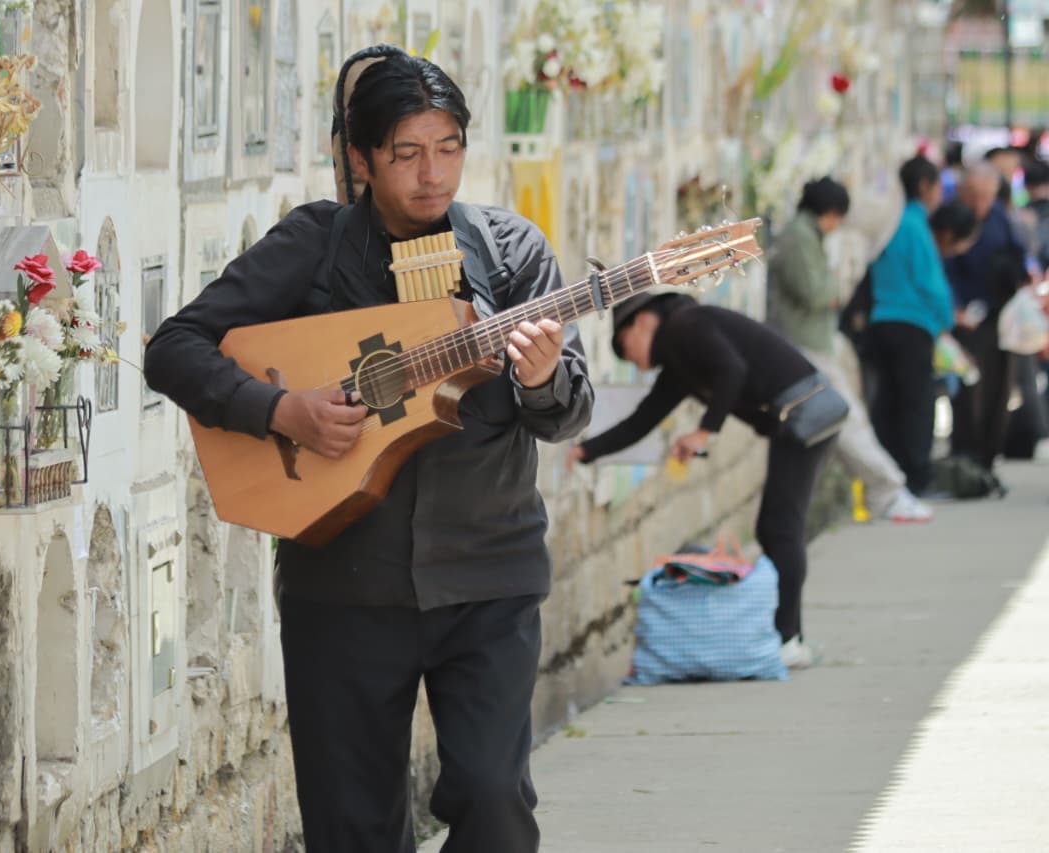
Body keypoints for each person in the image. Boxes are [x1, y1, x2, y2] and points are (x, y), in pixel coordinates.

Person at [143, 46, 593, 853]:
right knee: (352, 830)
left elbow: (565, 417)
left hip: (488, 579)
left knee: (495, 803)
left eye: (449, 149)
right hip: (342, 584)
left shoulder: (511, 251)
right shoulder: (314, 246)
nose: (433, 175)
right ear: (360, 158)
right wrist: (282, 409)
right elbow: (175, 347)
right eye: (407, 153)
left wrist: (543, 375)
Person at [568, 293, 838, 670]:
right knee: (776, 528)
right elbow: (641, 421)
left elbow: (732, 370)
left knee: (780, 527)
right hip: (799, 419)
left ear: (643, 320)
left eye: (623, 345)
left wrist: (704, 432)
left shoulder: (685, 325)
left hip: (805, 414)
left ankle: (789, 639)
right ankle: (787, 636)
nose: (628, 358)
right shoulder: (680, 364)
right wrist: (583, 452)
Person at [767, 176, 931, 523]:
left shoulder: (806, 236)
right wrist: (837, 287)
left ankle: (882, 491)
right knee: (847, 421)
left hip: (812, 344)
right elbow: (815, 293)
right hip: (807, 348)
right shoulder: (799, 238)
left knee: (840, 425)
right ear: (829, 212)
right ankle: (887, 491)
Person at [867, 155, 954, 495]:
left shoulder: (891, 222)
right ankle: (916, 478)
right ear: (924, 187)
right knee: (916, 405)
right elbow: (930, 284)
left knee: (887, 403)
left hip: (881, 323)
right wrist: (946, 320)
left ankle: (891, 476)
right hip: (912, 325)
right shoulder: (915, 226)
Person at [945, 163, 1028, 473]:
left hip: (999, 315)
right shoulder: (951, 217)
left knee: (999, 389)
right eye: (973, 196)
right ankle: (965, 457)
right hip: (965, 317)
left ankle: (988, 457)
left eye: (985, 197)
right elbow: (944, 267)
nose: (979, 203)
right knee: (968, 391)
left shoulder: (1000, 219)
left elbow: (1018, 256)